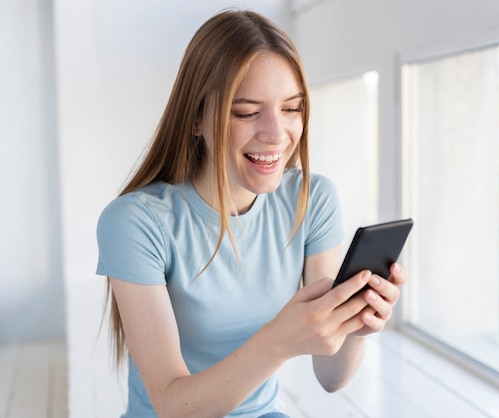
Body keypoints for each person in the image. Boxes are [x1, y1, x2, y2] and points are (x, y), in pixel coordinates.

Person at [96, 8, 407, 418]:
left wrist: (354, 329)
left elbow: (332, 378)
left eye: (291, 109)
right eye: (246, 112)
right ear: (196, 118)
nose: (276, 135)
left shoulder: (312, 200)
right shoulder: (135, 223)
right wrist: (280, 339)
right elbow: (173, 406)